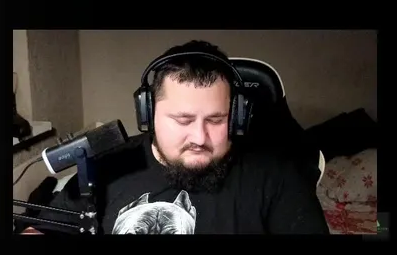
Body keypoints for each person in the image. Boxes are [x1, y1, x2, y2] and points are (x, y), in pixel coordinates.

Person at [21, 40, 328, 234]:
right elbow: (42, 229)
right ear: (148, 115)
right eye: (183, 120)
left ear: (235, 117)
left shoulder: (276, 176)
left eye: (216, 120)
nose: (199, 137)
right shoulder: (106, 167)